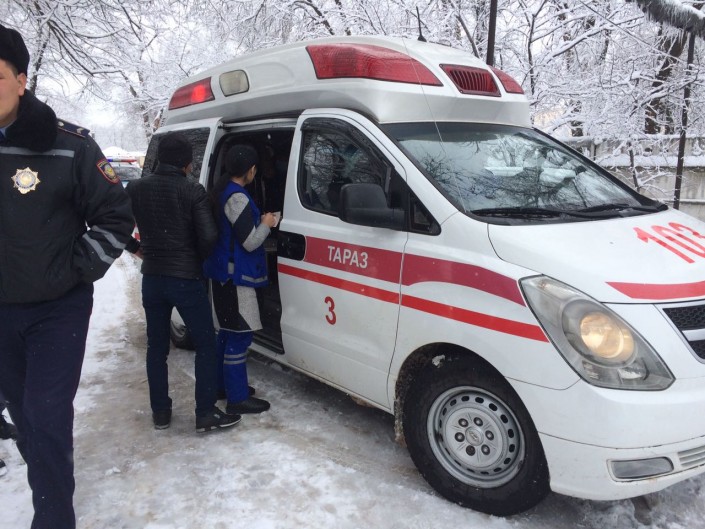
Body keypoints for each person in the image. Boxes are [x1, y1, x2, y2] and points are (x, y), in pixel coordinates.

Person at [0, 24, 134, 529]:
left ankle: (54, 518)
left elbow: (116, 218)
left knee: (45, 412)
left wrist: (73, 270)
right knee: (25, 416)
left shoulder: (69, 146)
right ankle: (47, 479)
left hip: (57, 308)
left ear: (22, 80)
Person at [125, 132, 240, 433]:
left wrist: (136, 248)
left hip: (152, 278)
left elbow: (115, 224)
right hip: (186, 280)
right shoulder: (192, 190)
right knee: (205, 343)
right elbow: (209, 236)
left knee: (156, 346)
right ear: (187, 164)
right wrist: (194, 259)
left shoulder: (136, 188)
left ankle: (161, 412)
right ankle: (205, 413)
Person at [204, 144, 277, 415]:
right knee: (240, 336)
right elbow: (250, 242)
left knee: (227, 333)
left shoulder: (223, 191)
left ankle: (222, 386)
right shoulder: (238, 198)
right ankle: (237, 399)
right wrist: (267, 224)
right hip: (236, 279)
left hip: (223, 274)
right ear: (251, 170)